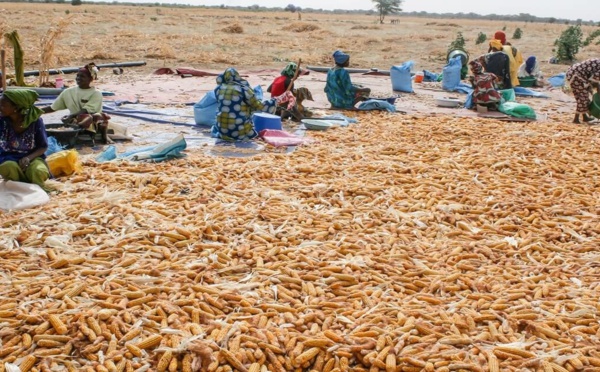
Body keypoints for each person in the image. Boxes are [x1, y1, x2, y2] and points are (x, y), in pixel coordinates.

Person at [213, 67, 294, 141]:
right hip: (239, 132)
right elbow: (260, 106)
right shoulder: (243, 89)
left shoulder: (218, 89)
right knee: (251, 126)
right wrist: (276, 100)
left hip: (222, 131)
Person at [42, 63, 112, 144]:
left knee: (91, 117)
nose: (78, 78)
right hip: (74, 121)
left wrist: (71, 116)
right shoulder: (68, 92)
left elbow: (86, 110)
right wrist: (36, 111)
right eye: (78, 76)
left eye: (82, 76)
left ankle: (103, 136)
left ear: (91, 79)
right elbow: (53, 107)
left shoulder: (96, 94)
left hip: (91, 121)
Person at [0, 89, 51, 189]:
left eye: (3, 105)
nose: (0, 108)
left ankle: (34, 189)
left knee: (37, 171)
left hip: (32, 158)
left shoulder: (35, 121)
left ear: (16, 107)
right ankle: (20, 187)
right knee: (7, 167)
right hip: (8, 157)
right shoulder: (2, 121)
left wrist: (28, 158)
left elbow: (43, 146)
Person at [566, 58, 600, 124]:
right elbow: (595, 80)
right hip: (576, 75)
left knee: (584, 94)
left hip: (578, 73)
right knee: (583, 97)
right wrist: (598, 89)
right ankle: (576, 119)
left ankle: (584, 117)